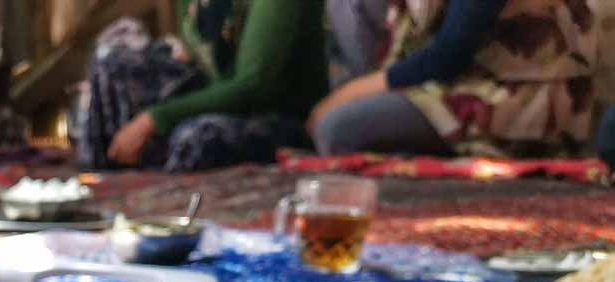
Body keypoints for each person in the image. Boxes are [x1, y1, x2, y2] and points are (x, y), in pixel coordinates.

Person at [312, 0, 597, 158]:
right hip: (458, 82)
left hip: (518, 95)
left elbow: (447, 57)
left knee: (337, 129)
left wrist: (345, 96)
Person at [81, 0, 328, 172]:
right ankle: (117, 168)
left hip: (279, 116)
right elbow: (203, 58)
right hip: (219, 94)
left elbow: (252, 86)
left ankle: (159, 161)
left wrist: (154, 119)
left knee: (195, 140)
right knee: (112, 66)